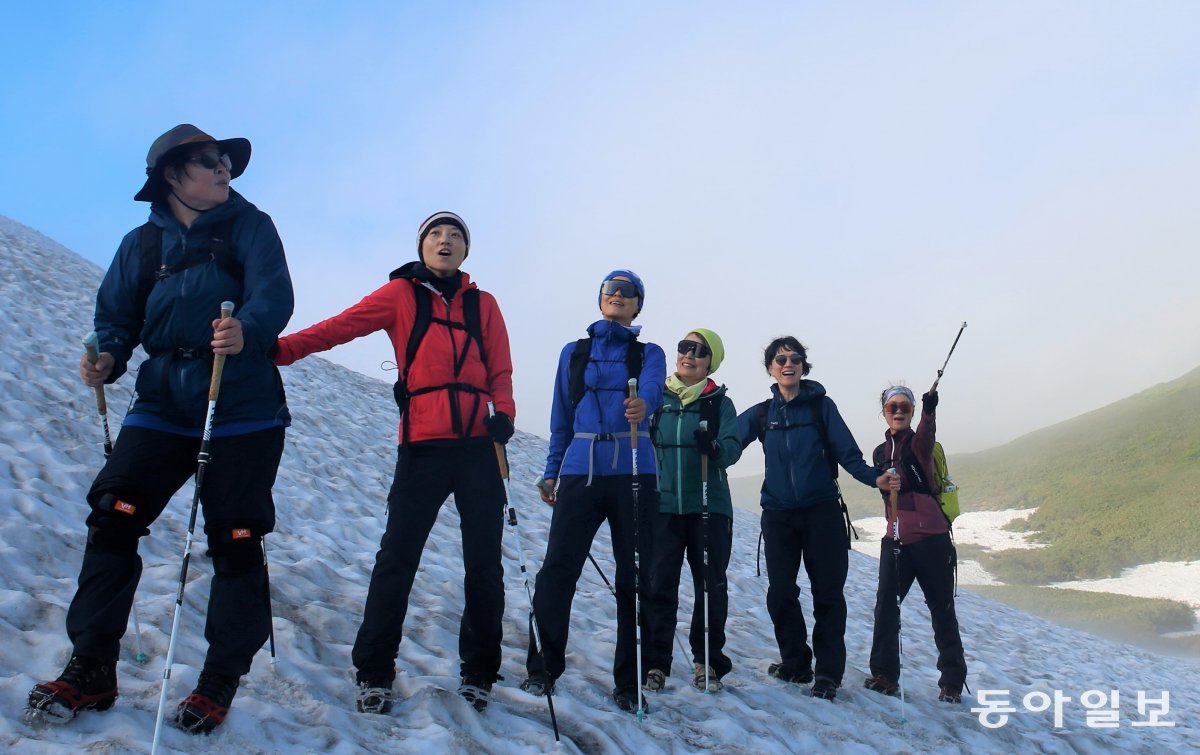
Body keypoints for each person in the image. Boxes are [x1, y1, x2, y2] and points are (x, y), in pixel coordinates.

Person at [26, 124, 294, 733]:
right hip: (162, 405)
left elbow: (274, 295)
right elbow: (115, 317)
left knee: (236, 536)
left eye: (226, 159)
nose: (224, 168)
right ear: (172, 176)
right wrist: (109, 356)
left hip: (243, 408)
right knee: (114, 514)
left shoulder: (252, 227)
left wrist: (247, 329)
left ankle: (218, 680)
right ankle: (91, 667)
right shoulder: (140, 245)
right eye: (208, 161)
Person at [273, 211, 515, 714]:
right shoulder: (401, 295)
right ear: (422, 245)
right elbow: (341, 326)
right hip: (422, 445)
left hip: (477, 448)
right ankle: (374, 672)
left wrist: (505, 416)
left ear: (466, 252)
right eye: (436, 235)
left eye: (455, 237)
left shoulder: (483, 304)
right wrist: (278, 351)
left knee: (484, 567)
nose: (445, 242)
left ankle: (479, 675)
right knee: (397, 559)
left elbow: (500, 366)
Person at [521, 270, 666, 713]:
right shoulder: (574, 353)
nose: (618, 296)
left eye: (628, 292)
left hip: (635, 471)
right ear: (600, 299)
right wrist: (552, 473)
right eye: (611, 290)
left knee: (635, 578)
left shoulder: (649, 354)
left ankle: (629, 681)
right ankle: (542, 668)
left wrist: (646, 405)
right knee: (557, 570)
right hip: (580, 470)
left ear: (638, 305)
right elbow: (560, 419)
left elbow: (656, 392)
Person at [737, 337, 892, 701]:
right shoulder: (762, 413)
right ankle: (796, 662)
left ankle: (827, 675)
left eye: (794, 358)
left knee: (828, 595)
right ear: (770, 368)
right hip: (777, 515)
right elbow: (727, 443)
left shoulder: (822, 407)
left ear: (804, 366)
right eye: (779, 359)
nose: (787, 363)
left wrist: (875, 478)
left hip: (822, 513)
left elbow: (849, 455)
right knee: (780, 592)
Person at [645, 329, 742, 693]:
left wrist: (714, 447)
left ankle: (707, 662)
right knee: (659, 585)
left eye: (700, 351)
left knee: (710, 586)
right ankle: (656, 663)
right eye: (685, 347)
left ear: (710, 362)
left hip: (709, 505)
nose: (690, 354)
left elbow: (732, 448)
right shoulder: (656, 397)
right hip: (664, 505)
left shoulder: (718, 403)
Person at [864, 386, 967, 703]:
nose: (899, 410)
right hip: (894, 539)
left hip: (931, 540)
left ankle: (951, 681)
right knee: (886, 607)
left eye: (905, 406)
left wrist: (929, 410)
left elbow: (926, 433)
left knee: (941, 609)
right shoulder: (880, 453)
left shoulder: (920, 445)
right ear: (884, 410)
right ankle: (884, 675)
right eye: (893, 406)